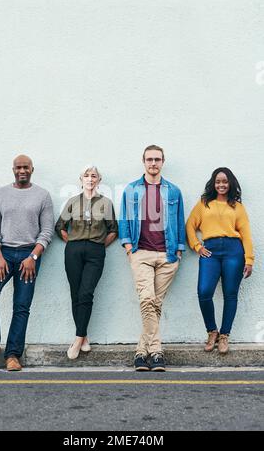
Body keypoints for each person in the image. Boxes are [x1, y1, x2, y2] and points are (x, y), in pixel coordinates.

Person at [0, 155, 54, 371]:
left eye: (26, 167)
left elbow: (47, 231)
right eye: (18, 167)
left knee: (22, 305)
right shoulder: (0, 194)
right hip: (3, 254)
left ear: (32, 169)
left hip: (29, 256)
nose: (22, 170)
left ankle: (13, 354)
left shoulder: (42, 196)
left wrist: (33, 257)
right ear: (13, 169)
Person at [119, 145, 185, 371]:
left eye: (157, 159)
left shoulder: (173, 191)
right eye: (149, 159)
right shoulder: (131, 190)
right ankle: (157, 353)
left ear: (163, 161)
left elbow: (179, 220)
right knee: (147, 300)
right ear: (143, 161)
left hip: (167, 254)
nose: (153, 163)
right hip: (141, 252)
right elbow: (124, 219)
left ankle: (140, 353)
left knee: (155, 304)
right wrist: (129, 247)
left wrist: (178, 250)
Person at [186, 167, 254, 354]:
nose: (221, 185)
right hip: (211, 251)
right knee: (204, 291)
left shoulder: (237, 207)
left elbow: (246, 234)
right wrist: (197, 246)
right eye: (218, 181)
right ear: (213, 183)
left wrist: (249, 259)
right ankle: (212, 331)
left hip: (234, 251)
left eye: (225, 181)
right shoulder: (204, 203)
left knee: (230, 294)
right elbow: (190, 226)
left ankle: (225, 335)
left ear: (230, 183)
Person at [55, 166, 118, 360]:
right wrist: (73, 241)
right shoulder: (73, 202)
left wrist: (98, 245)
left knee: (86, 292)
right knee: (76, 293)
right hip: (73, 251)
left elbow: (113, 230)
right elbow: (60, 227)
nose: (90, 179)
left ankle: (77, 339)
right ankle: (84, 336)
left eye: (94, 176)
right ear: (80, 179)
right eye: (86, 176)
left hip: (95, 251)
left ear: (99, 180)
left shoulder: (105, 203)